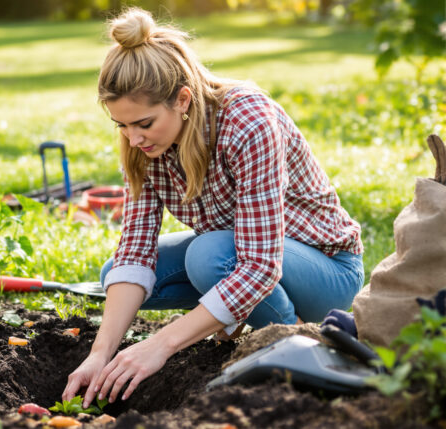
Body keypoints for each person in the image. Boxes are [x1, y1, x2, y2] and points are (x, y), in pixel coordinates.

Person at [62, 8, 364, 408]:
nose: (133, 139)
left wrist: (160, 345)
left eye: (144, 124)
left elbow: (259, 265)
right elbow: (135, 249)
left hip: (325, 266)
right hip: (240, 254)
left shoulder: (247, 120)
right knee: (117, 276)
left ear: (182, 99)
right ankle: (237, 318)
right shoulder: (145, 144)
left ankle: (295, 340)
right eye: (122, 126)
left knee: (210, 256)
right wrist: (99, 355)